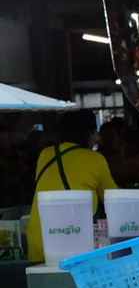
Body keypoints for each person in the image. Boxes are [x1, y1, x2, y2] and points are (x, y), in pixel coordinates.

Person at [28, 110, 116, 261]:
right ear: (88, 133)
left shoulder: (45, 154)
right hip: (72, 243)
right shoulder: (95, 159)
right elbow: (113, 199)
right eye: (96, 132)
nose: (98, 137)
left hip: (40, 242)